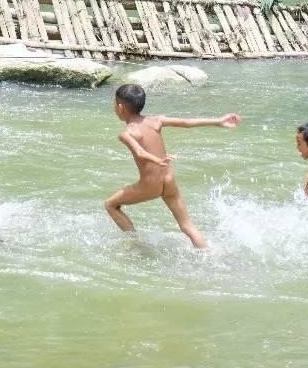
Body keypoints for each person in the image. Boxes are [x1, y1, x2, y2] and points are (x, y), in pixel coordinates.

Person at [103, 83, 241, 249]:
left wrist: (155, 160)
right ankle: (209, 256)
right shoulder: (156, 120)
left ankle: (136, 244)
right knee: (187, 225)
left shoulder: (127, 133)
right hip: (168, 181)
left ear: (120, 107)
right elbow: (187, 122)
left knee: (111, 205)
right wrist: (218, 121)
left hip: (149, 185)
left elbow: (139, 152)